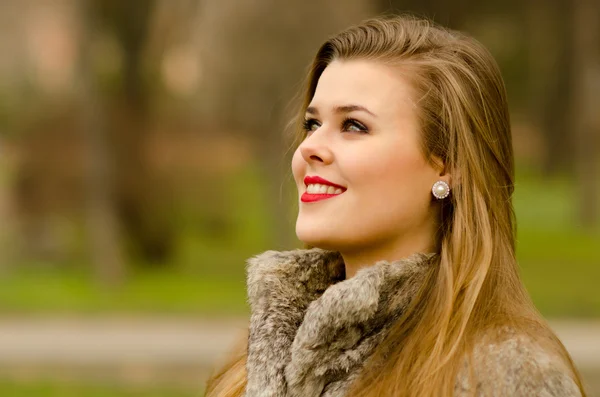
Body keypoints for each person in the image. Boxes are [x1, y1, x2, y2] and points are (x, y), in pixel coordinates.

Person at [205, 14, 586, 397]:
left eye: (354, 125)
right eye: (312, 124)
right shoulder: (256, 361)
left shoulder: (502, 376)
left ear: (448, 164)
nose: (309, 149)